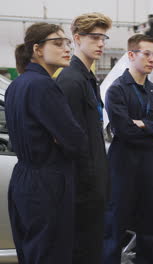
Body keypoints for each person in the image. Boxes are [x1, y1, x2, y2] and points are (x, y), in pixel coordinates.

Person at [5, 23, 87, 263]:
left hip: (23, 179)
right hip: (48, 183)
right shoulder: (44, 86)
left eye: (67, 43)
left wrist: (57, 136)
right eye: (58, 43)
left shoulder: (17, 84)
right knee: (51, 254)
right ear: (38, 49)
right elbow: (77, 141)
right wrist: (61, 139)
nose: (66, 48)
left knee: (31, 252)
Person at [103, 34, 153, 264]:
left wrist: (144, 123)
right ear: (131, 55)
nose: (152, 59)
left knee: (150, 228)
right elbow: (124, 130)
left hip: (150, 165)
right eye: (146, 54)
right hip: (123, 165)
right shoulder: (116, 91)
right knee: (114, 227)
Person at [55, 12, 112, 264]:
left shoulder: (89, 79)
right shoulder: (71, 80)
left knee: (92, 249)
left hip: (94, 185)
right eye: (94, 37)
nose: (101, 43)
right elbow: (69, 140)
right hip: (82, 189)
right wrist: (87, 185)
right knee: (82, 252)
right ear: (77, 39)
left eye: (104, 37)